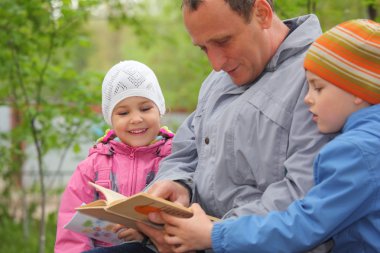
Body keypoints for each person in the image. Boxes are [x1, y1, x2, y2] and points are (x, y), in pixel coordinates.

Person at [85, 0, 333, 252]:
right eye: (204, 48)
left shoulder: (319, 79)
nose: (216, 63)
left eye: (224, 41)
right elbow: (185, 150)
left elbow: (307, 197)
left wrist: (212, 235)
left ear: (261, 13)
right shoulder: (218, 81)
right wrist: (178, 185)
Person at [160, 19, 380, 253]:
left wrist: (215, 235)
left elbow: (303, 225)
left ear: (358, 91)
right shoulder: (366, 143)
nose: (308, 98)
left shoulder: (358, 151)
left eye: (318, 87)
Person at [54, 60, 174, 253]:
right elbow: (72, 230)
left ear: (160, 109)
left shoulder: (175, 160)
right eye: (123, 112)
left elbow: (187, 217)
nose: (136, 119)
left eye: (145, 108)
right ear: (111, 120)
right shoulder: (92, 166)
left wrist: (148, 235)